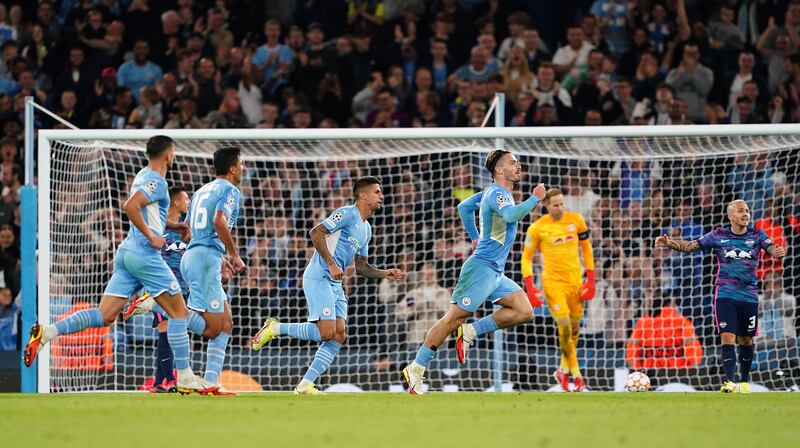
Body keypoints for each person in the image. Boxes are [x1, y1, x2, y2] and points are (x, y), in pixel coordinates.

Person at [23, 136, 209, 394]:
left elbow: (146, 215)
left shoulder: (142, 175)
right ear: (168, 155)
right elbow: (130, 207)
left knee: (105, 315)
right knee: (179, 312)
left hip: (126, 254)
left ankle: (47, 332)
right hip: (144, 254)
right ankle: (186, 376)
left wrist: (175, 226)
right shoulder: (158, 181)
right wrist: (151, 237)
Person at [402, 150, 546, 395]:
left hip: (496, 271)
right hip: (481, 268)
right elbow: (511, 215)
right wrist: (535, 198)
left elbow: (463, 207)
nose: (518, 166)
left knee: (523, 311)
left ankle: (471, 331)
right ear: (499, 170)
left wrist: (475, 237)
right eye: (513, 162)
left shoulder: (490, 192)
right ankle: (416, 367)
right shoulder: (499, 194)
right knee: (453, 318)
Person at [251, 177, 404, 395]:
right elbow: (316, 232)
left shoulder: (367, 229)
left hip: (335, 283)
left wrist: (383, 274)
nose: (382, 196)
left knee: (339, 334)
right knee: (326, 332)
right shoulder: (348, 213)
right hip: (319, 276)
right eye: (377, 192)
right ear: (363, 195)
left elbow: (361, 267)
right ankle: (274, 328)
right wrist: (331, 263)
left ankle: (305, 385)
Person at [654, 200, 786, 393]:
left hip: (749, 295)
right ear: (730, 216)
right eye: (741, 211)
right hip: (725, 294)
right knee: (727, 336)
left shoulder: (757, 235)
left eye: (747, 211)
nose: (746, 214)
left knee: (746, 340)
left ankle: (744, 382)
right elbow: (691, 246)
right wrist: (669, 243)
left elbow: (771, 247)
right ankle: (729, 382)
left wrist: (777, 252)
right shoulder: (718, 235)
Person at [521, 188, 595, 392]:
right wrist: (530, 287)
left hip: (575, 282)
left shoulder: (576, 220)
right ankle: (577, 376)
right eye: (555, 205)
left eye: (562, 203)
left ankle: (563, 370)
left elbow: (587, 249)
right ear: (546, 206)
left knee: (574, 329)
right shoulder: (537, 228)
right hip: (552, 284)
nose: (560, 207)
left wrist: (591, 280)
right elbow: (526, 257)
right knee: (563, 326)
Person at [625, 296, 703, 370]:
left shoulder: (643, 323)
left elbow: (632, 349)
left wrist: (638, 371)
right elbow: (693, 348)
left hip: (649, 374)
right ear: (670, 304)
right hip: (678, 375)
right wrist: (692, 373)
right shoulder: (682, 322)